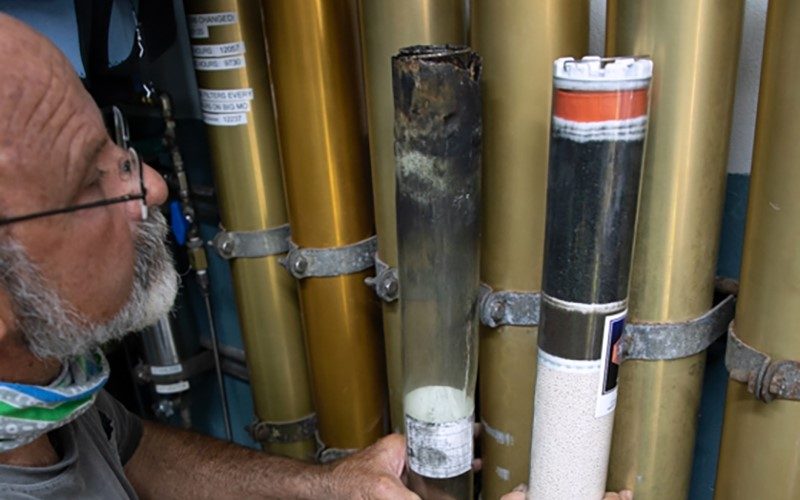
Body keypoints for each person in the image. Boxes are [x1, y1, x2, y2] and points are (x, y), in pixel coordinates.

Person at [0, 13, 631, 499]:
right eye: (93, 180)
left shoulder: (50, 391)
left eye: (120, 151)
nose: (153, 186)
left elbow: (130, 448)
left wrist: (324, 487)